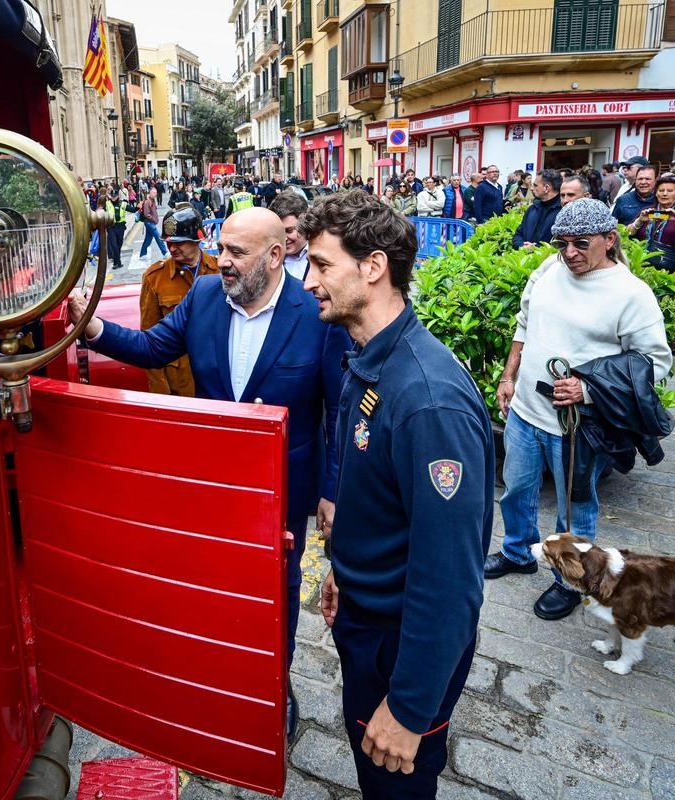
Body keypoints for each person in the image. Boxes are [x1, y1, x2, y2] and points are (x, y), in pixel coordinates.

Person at [67, 206, 348, 741]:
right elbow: (152, 348)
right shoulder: (202, 298)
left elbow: (337, 410)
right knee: (216, 584)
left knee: (280, 591)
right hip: (214, 485)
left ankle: (273, 686)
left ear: (273, 255)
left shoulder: (315, 313)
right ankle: (221, 678)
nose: (224, 261)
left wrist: (331, 491)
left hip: (284, 491)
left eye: (237, 253)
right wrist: (92, 325)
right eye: (221, 248)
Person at [304, 191, 493, 798]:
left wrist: (409, 709)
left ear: (373, 266)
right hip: (368, 623)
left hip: (402, 644)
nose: (308, 281)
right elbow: (377, 499)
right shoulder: (370, 359)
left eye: (321, 264)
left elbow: (451, 579)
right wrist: (346, 571)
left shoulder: (428, 400)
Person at [486, 199, 672, 619]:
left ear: (609, 240)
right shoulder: (551, 268)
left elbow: (656, 362)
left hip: (576, 426)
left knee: (577, 506)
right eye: (562, 242)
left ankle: (570, 581)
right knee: (515, 488)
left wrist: (587, 389)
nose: (570, 252)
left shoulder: (631, 295)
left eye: (581, 243)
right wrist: (508, 376)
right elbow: (524, 322)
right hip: (526, 411)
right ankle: (517, 552)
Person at [138, 205, 221, 396]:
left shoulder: (219, 271)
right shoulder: (155, 278)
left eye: (179, 242)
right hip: (179, 386)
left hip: (216, 381)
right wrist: (161, 395)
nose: (172, 248)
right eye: (168, 242)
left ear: (197, 240)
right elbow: (148, 341)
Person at [627, 172, 675, 272]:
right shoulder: (647, 211)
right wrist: (639, 221)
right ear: (656, 193)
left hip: (669, 272)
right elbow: (627, 234)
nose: (665, 193)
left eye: (670, 191)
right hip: (642, 266)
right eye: (661, 190)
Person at [511, 170, 563, 249]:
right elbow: (518, 234)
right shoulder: (532, 208)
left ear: (546, 188)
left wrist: (534, 249)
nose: (531, 188)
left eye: (535, 185)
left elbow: (560, 244)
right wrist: (521, 245)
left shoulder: (562, 211)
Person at [272, 190, 310, 280]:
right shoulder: (269, 257)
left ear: (305, 224)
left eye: (289, 230)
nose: (284, 238)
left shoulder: (324, 253)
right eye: (279, 231)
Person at [138, 187, 169, 260]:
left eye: (156, 193)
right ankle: (164, 252)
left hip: (151, 223)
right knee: (158, 237)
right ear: (150, 193)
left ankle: (143, 254)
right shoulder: (147, 202)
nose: (155, 194)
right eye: (153, 193)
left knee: (148, 240)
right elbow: (146, 214)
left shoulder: (153, 200)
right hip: (149, 223)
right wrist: (154, 219)